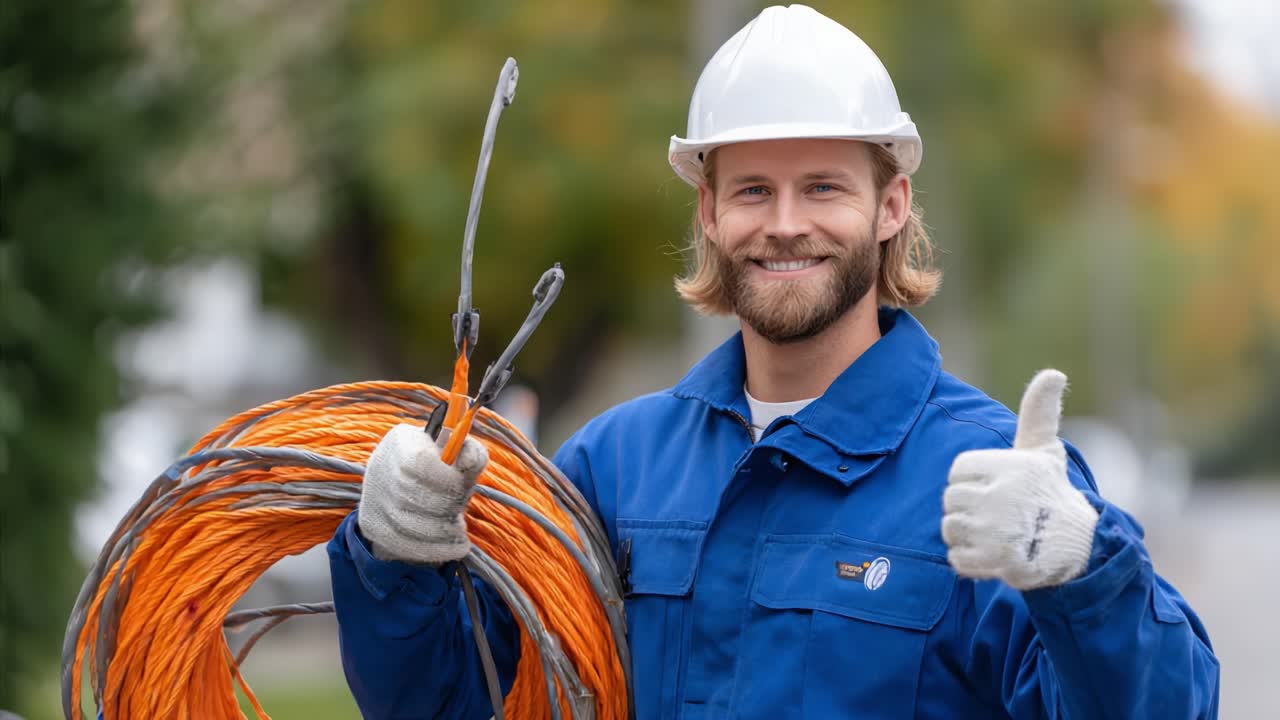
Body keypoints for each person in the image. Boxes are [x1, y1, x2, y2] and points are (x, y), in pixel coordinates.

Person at [328, 5, 1219, 718]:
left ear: (891, 205)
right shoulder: (614, 468)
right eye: (754, 189)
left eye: (823, 186)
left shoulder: (993, 484)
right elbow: (446, 703)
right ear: (709, 211)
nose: (785, 221)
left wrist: (1083, 572)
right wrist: (395, 559)